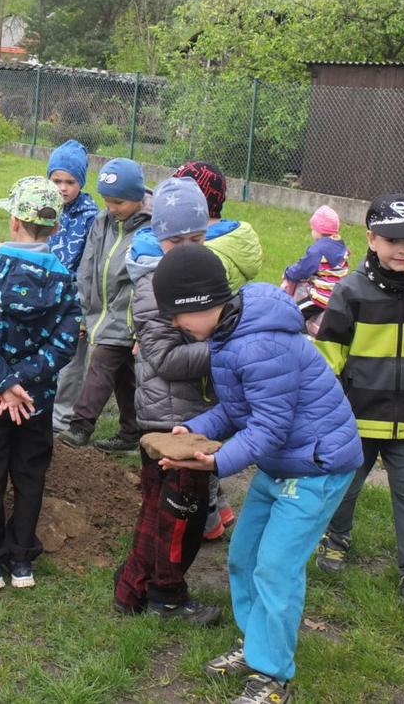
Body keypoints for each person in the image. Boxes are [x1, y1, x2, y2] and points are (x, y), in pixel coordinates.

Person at [152, 244, 363, 704]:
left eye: (176, 316)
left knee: (276, 567)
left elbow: (269, 426)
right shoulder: (229, 336)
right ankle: (256, 646)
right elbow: (236, 409)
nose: (174, 326)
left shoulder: (260, 343)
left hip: (316, 466)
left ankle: (273, 678)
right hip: (283, 461)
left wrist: (214, 462)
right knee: (244, 557)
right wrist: (194, 429)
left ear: (201, 305)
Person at [313, 194, 404, 613]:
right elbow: (329, 358)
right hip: (356, 418)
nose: (402, 248)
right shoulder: (350, 291)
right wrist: (324, 411)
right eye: (392, 239)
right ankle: (336, 539)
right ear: (371, 239)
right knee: (346, 486)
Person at [0, 176, 81, 591]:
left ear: (14, 221)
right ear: (57, 227)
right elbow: (65, 344)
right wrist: (23, 382)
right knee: (30, 475)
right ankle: (22, 560)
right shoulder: (64, 281)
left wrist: (3, 381)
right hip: (36, 401)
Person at [114, 177, 221, 624]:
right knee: (181, 517)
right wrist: (225, 348)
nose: (187, 247)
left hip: (194, 415)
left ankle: (132, 590)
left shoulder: (202, 272)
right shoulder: (150, 286)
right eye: (177, 239)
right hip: (170, 422)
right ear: (159, 236)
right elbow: (165, 358)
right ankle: (167, 596)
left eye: (196, 238)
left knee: (159, 510)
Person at [173, 160, 263, 539]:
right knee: (204, 431)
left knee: (200, 442)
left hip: (207, 359)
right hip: (214, 359)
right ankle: (221, 511)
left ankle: (208, 520)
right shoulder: (227, 242)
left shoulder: (209, 255)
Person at [57, 157, 151, 452]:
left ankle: (80, 425)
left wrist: (140, 324)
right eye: (107, 200)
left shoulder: (150, 229)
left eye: (118, 202)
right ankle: (131, 431)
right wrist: (86, 311)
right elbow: (88, 265)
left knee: (100, 364)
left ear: (137, 198)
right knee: (124, 374)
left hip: (128, 316)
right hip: (101, 312)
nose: (111, 207)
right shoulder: (102, 221)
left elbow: (146, 280)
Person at [45, 139, 99, 434]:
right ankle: (41, 409)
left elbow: (90, 268)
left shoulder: (91, 217)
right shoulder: (45, 206)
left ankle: (62, 418)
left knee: (70, 364)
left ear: (81, 182)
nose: (63, 188)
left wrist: (80, 310)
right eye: (56, 181)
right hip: (44, 297)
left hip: (73, 302)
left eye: (70, 181)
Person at [281, 204, 349, 336]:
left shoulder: (317, 250)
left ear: (318, 230)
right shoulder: (341, 246)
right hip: (337, 295)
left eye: (312, 228)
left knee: (294, 313)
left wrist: (288, 272)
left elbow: (303, 269)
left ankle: (304, 338)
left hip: (321, 298)